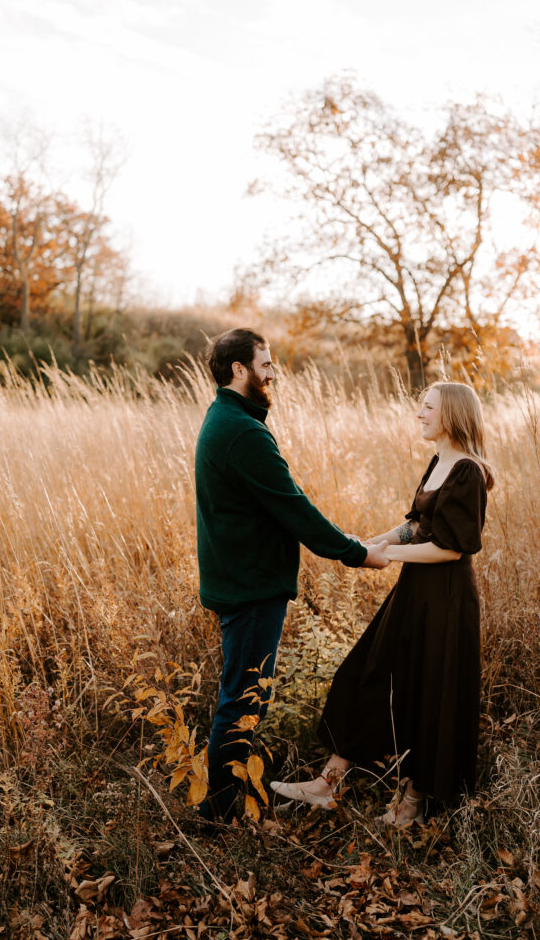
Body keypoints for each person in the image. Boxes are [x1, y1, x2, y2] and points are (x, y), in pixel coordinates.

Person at [271, 381, 493, 826]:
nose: (419, 414)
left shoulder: (468, 471)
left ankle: (411, 803)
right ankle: (326, 785)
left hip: (446, 601)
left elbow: (452, 548)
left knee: (431, 694)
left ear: (450, 414)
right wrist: (374, 541)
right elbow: (419, 523)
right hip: (415, 591)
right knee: (365, 674)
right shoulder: (439, 461)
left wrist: (387, 556)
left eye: (427, 407)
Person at [195, 328, 390, 824]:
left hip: (242, 581)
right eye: (265, 363)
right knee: (242, 699)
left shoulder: (227, 419)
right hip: (251, 587)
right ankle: (218, 812)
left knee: (241, 693)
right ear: (239, 370)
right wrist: (356, 554)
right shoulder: (242, 431)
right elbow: (293, 507)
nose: (273, 371)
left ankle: (223, 803)